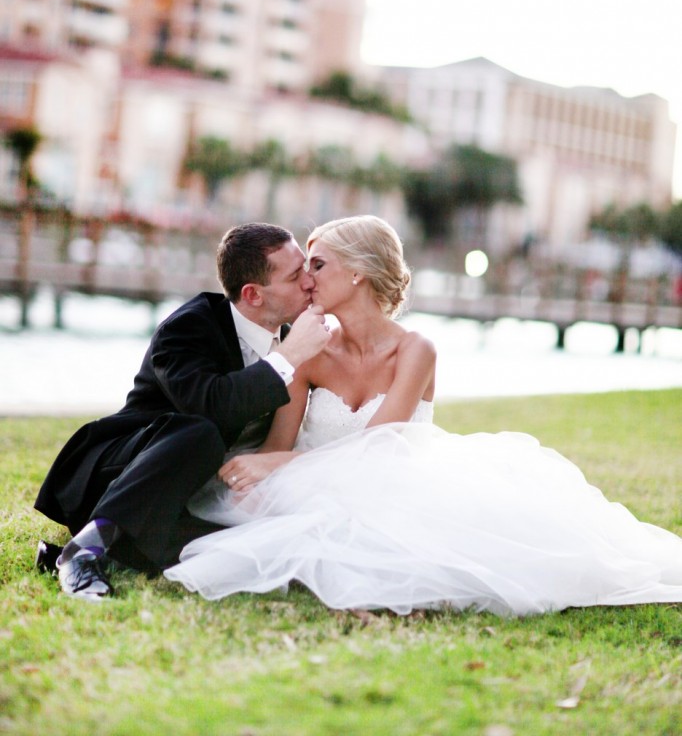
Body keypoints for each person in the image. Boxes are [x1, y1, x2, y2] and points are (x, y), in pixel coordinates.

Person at [164, 215, 682, 617]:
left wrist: (277, 468)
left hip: (393, 489)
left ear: (358, 272)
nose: (305, 281)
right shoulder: (309, 350)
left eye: (316, 266)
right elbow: (279, 443)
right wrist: (266, 464)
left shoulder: (417, 350)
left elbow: (379, 446)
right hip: (316, 489)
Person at [34, 222, 332, 601]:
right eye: (295, 276)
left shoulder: (295, 340)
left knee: (260, 545)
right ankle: (83, 550)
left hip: (194, 495)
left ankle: (127, 550)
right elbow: (215, 408)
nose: (309, 281)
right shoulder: (188, 327)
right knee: (201, 431)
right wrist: (288, 359)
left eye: (307, 268)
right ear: (253, 294)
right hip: (124, 474)